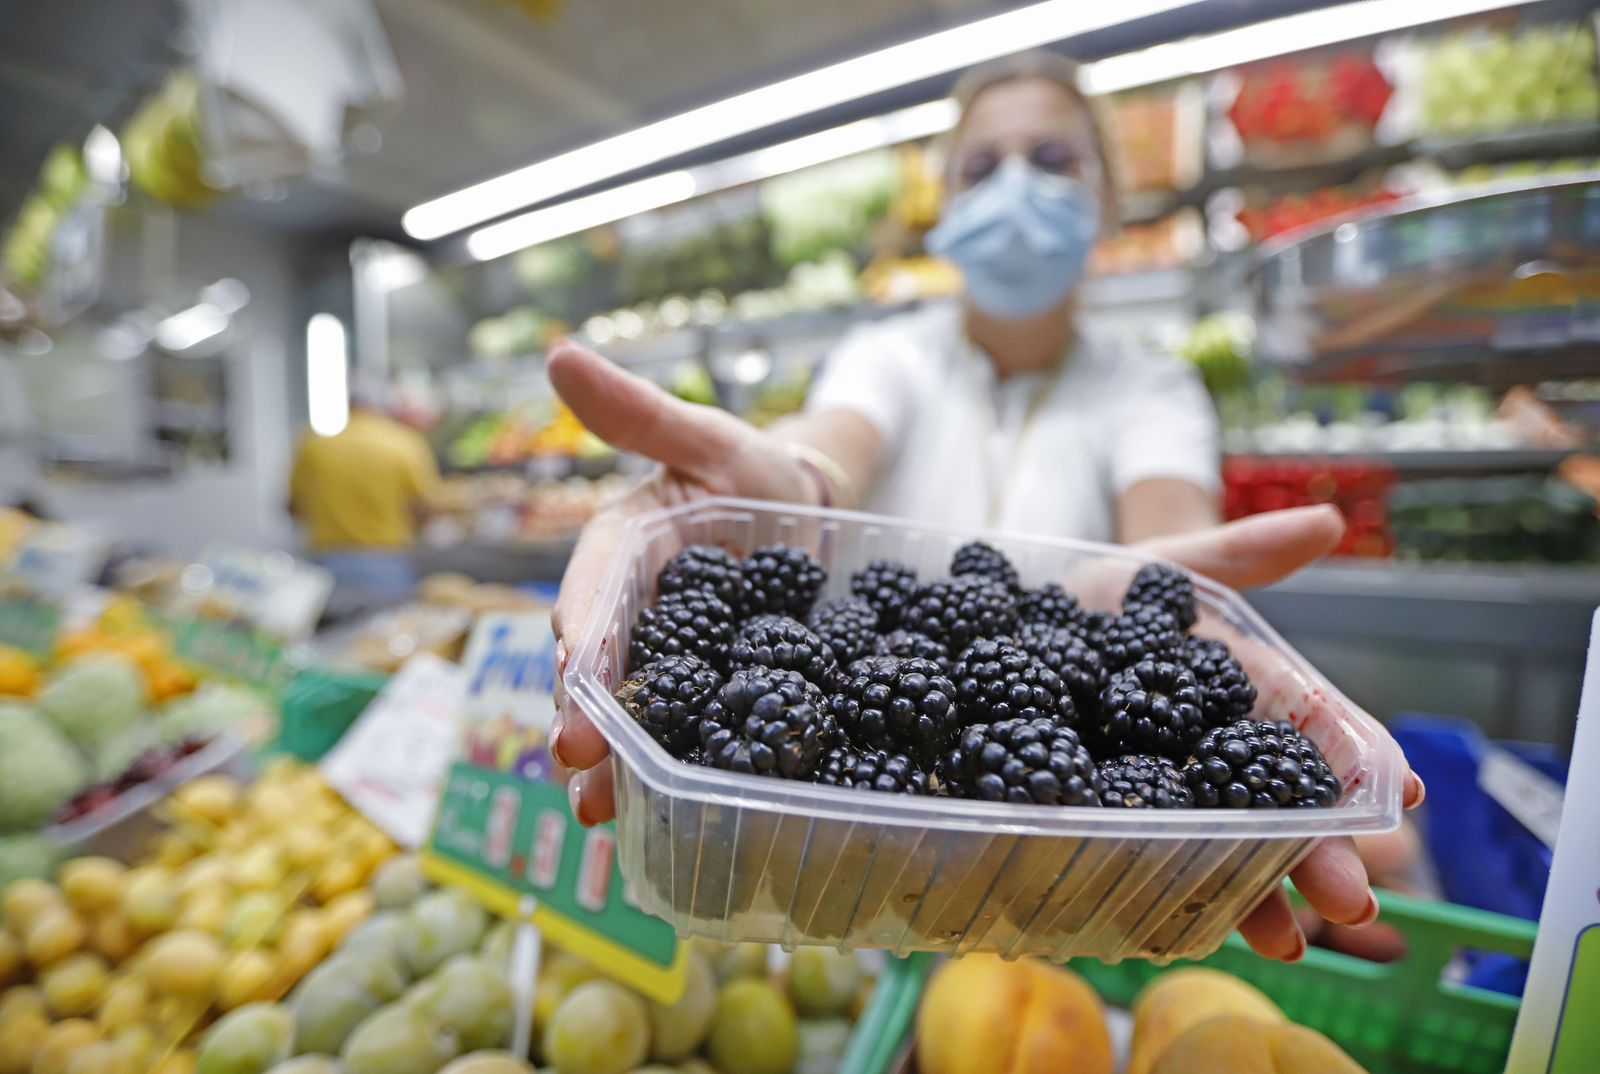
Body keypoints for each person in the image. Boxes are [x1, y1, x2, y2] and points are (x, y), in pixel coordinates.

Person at [544, 52, 1425, 963]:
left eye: (1052, 160)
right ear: (947, 204)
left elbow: (1166, 539)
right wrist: (797, 482)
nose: (1016, 186)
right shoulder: (890, 355)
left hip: (1059, 896)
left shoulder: (1152, 387)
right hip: (839, 861)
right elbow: (829, 449)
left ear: (1107, 199)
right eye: (980, 166)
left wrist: (1166, 604)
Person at [287, 378, 438, 610]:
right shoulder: (404, 443)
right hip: (387, 561)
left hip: (328, 561)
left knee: (334, 640)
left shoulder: (314, 444)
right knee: (385, 638)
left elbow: (293, 506)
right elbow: (426, 506)